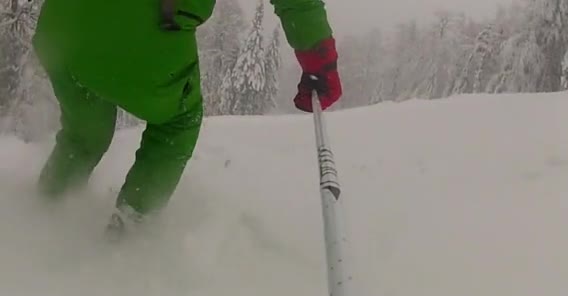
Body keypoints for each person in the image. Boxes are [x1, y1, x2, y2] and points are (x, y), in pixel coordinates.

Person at [31, 0, 342, 238]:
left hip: (60, 27)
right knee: (176, 124)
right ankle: (127, 236)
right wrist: (318, 57)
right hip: (145, 28)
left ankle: (42, 212)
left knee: (84, 135)